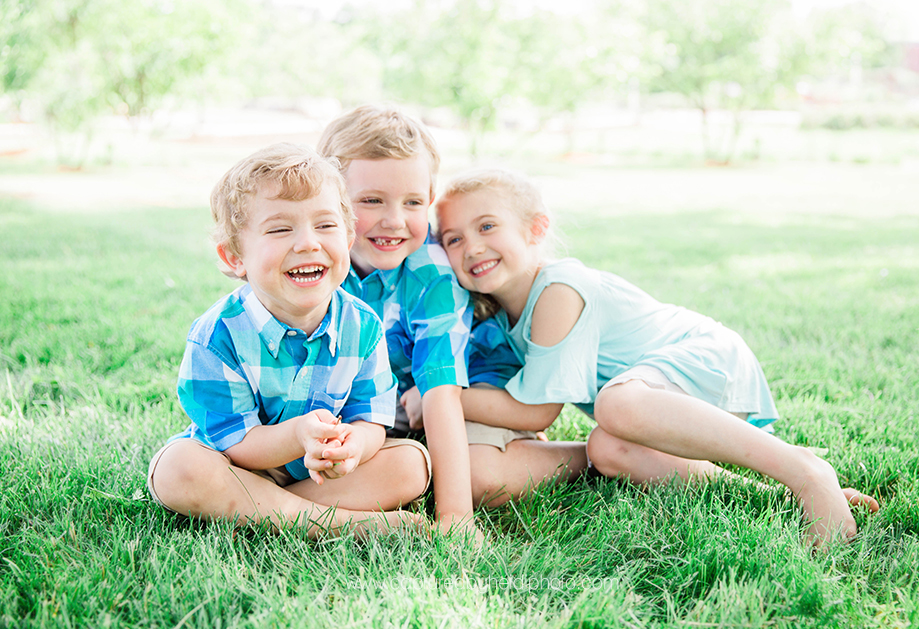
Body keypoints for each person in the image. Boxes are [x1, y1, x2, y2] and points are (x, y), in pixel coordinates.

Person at [434, 168, 879, 546]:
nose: (471, 247)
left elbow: (537, 412)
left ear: (536, 229)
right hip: (656, 404)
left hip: (704, 360)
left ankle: (805, 471)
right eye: (453, 239)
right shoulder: (502, 319)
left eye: (487, 227)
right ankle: (773, 496)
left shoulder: (558, 288)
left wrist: (435, 395)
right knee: (608, 447)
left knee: (618, 404)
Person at [317, 106, 585, 533]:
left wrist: (455, 518)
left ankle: (582, 457)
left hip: (475, 387)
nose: (394, 221)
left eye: (413, 203)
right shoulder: (319, 265)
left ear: (430, 198)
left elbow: (441, 393)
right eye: (371, 201)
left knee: (478, 479)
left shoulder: (431, 275)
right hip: (398, 399)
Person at [148, 143, 430, 538]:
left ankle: (266, 512)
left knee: (411, 465)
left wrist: (351, 447)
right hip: (240, 467)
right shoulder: (217, 335)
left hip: (320, 477)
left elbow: (372, 419)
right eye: (281, 229)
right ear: (234, 257)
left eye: (326, 225)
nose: (308, 243)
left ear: (348, 237)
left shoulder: (362, 324)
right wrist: (299, 436)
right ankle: (332, 524)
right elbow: (238, 443)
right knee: (178, 470)